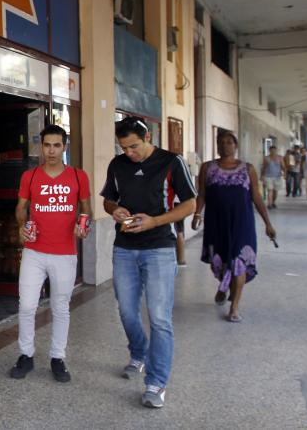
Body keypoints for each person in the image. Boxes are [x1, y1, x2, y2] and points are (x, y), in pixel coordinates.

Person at [101, 116, 196, 409]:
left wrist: (155, 220)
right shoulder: (117, 165)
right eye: (124, 147)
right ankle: (138, 353)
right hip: (125, 249)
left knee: (159, 318)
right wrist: (116, 210)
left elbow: (190, 203)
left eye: (134, 146)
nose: (130, 153)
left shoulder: (171, 162)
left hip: (159, 249)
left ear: (148, 137)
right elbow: (108, 200)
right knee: (128, 312)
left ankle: (156, 383)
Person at [10, 124, 91, 383]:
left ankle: (57, 357)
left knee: (60, 307)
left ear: (64, 147)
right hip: (34, 251)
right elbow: (21, 207)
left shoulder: (79, 176)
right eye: (47, 145)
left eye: (57, 145)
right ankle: (26, 355)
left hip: (65, 252)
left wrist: (83, 226)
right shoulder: (30, 176)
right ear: (41, 147)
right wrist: (22, 226)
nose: (52, 150)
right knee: (27, 306)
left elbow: (85, 209)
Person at [191, 132, 276, 323]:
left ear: (235, 145)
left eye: (229, 142)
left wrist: (268, 224)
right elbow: (202, 194)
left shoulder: (248, 169)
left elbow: (256, 197)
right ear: (216, 146)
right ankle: (223, 285)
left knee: (238, 261)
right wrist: (197, 214)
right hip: (216, 223)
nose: (225, 145)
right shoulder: (208, 168)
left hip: (242, 223)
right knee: (220, 261)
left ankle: (234, 307)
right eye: (221, 142)